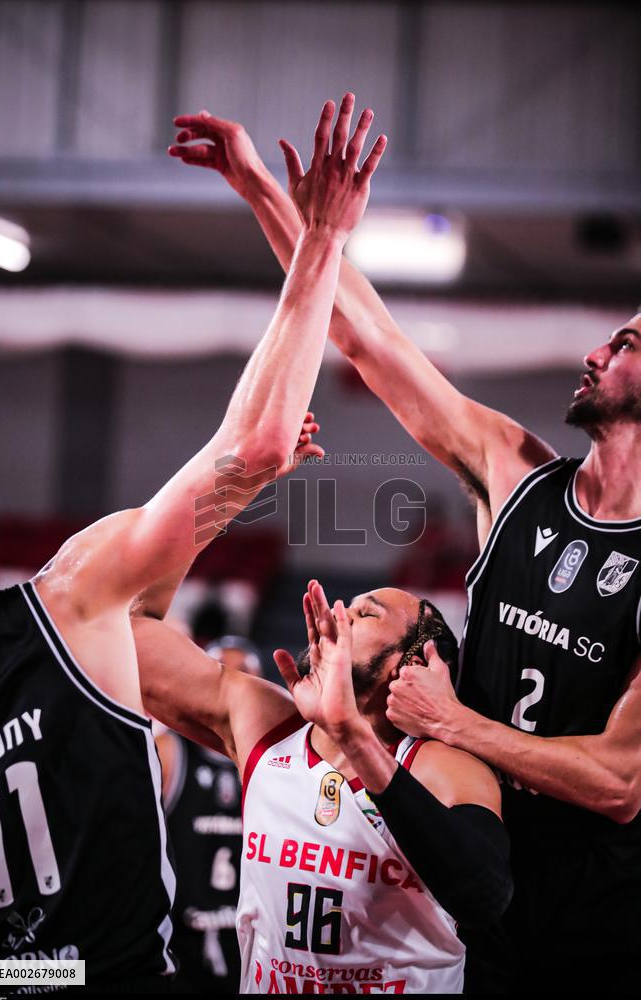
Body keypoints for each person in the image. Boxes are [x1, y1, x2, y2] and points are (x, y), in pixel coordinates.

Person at [169, 107, 641, 993]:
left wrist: (455, 723)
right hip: (472, 883)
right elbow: (369, 340)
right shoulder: (519, 475)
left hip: (600, 926)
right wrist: (284, 207)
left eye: (626, 345)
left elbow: (620, 782)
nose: (596, 351)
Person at [0, 94, 383, 991]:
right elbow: (263, 444)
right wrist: (320, 236)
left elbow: (144, 625)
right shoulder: (69, 597)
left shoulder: (83, 614)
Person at [135, 579, 512, 995]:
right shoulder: (267, 726)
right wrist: (203, 514)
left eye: (365, 614)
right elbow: (124, 644)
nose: (338, 615)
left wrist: (352, 735)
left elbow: (484, 898)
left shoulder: (441, 767)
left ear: (409, 664)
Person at [156, 636, 263, 995]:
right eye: (219, 670)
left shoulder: (280, 761)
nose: (230, 681)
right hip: (181, 949)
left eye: (243, 673)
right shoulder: (169, 750)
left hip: (257, 954)